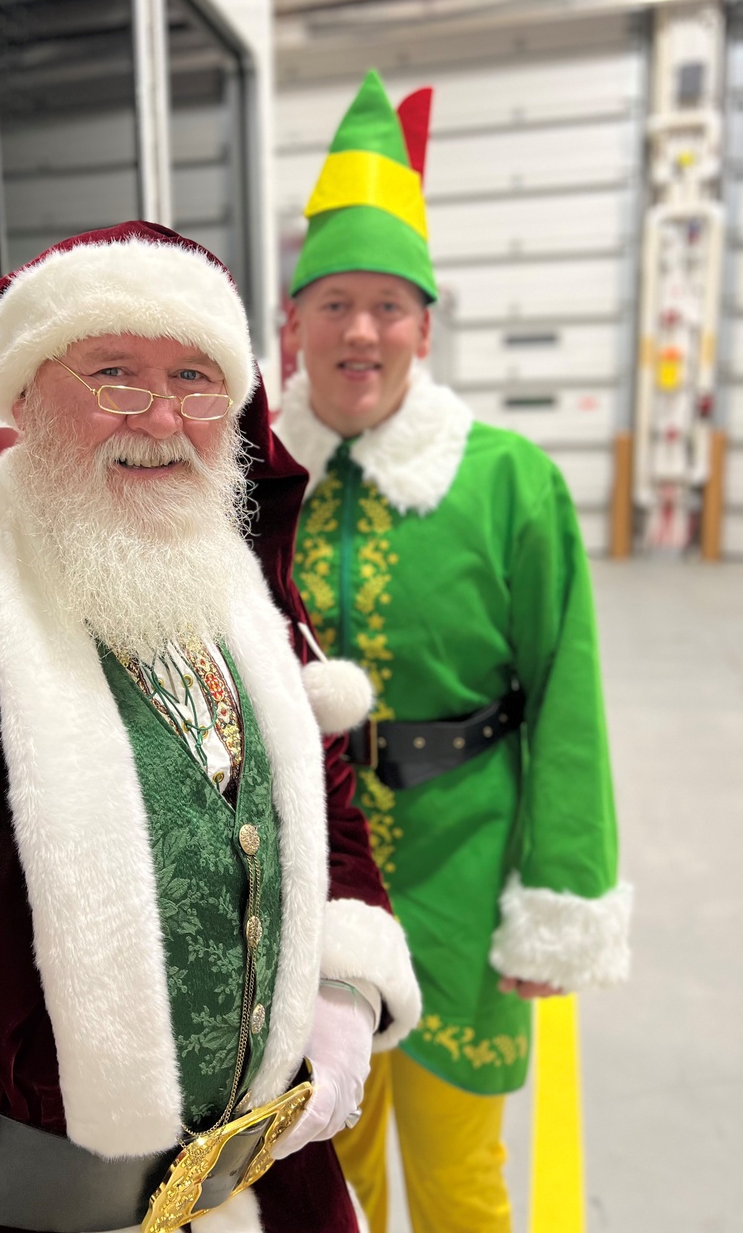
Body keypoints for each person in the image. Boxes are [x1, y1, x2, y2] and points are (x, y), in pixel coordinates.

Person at [0, 221, 422, 1233]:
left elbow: (327, 806)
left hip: (269, 1196)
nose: (159, 416)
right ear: (23, 396)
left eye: (195, 379)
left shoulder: (237, 585)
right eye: (113, 373)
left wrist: (342, 990)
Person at [274, 72, 632, 1233]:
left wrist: (560, 895)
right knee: (322, 1166)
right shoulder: (252, 478)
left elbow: (565, 693)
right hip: (304, 883)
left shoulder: (507, 480)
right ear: (293, 324)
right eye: (333, 303)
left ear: (425, 326)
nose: (360, 331)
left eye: (388, 305)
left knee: (458, 1175)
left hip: (464, 874)